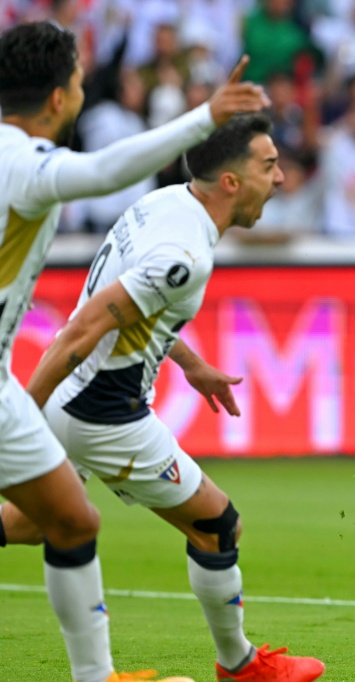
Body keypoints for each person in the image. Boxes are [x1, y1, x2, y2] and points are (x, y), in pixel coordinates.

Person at [2, 114, 326, 682]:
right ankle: (241, 665)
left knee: (36, 522)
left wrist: (193, 365)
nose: (280, 178)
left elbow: (130, 307)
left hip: (72, 395)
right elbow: (84, 330)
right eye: (269, 165)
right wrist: (21, 420)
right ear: (231, 181)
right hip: (103, 413)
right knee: (218, 525)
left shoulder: (165, 204)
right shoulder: (186, 254)